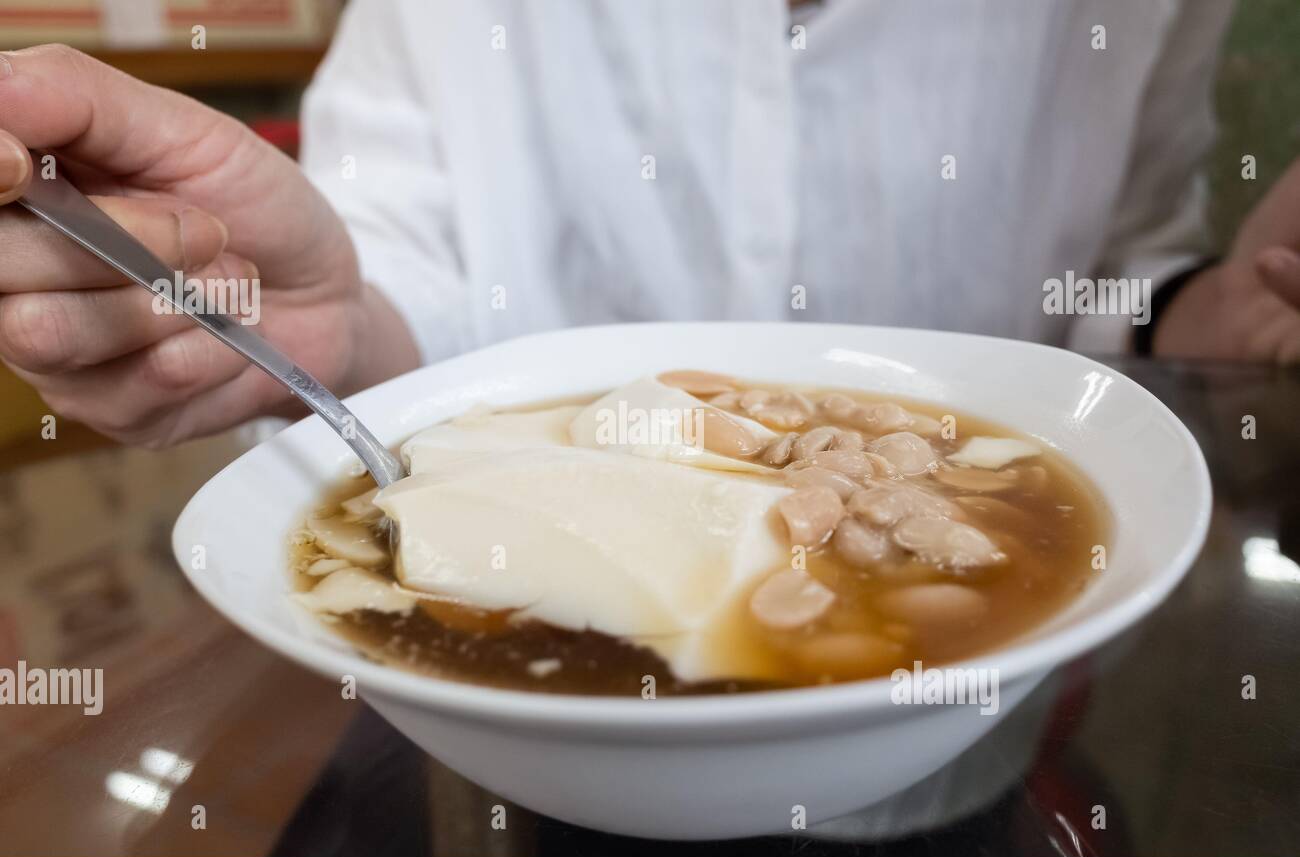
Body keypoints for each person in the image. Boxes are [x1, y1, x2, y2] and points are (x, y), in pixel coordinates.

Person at [0, 0, 1297, 449]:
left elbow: (1114, 278)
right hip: (535, 737)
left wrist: (1215, 314)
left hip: (990, 724)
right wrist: (333, 329)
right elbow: (398, 283)